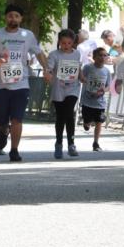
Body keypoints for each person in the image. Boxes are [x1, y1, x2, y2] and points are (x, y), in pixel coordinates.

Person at [0, 4, 47, 161]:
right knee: (1, 120)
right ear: (6, 18)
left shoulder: (28, 35)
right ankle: (3, 130)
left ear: (21, 18)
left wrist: (47, 69)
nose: (13, 19)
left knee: (17, 119)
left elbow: (39, 52)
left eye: (16, 16)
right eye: (10, 15)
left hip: (21, 83)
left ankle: (14, 150)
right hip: (0, 84)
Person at [46, 29, 83, 159]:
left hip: (72, 88)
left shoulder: (77, 54)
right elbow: (49, 69)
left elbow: (78, 67)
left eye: (69, 43)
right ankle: (59, 143)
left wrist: (82, 77)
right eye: (63, 43)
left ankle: (71, 144)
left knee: (69, 113)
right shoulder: (54, 55)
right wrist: (48, 75)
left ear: (73, 43)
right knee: (61, 117)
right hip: (59, 88)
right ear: (59, 42)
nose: (66, 46)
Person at [80, 47, 111, 152]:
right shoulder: (88, 68)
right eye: (100, 55)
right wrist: (85, 81)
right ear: (94, 57)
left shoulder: (107, 71)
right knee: (87, 121)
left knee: (99, 122)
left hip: (100, 102)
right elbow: (81, 78)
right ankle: (86, 123)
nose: (102, 57)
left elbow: (108, 86)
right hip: (87, 101)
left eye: (105, 55)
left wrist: (103, 90)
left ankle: (96, 143)